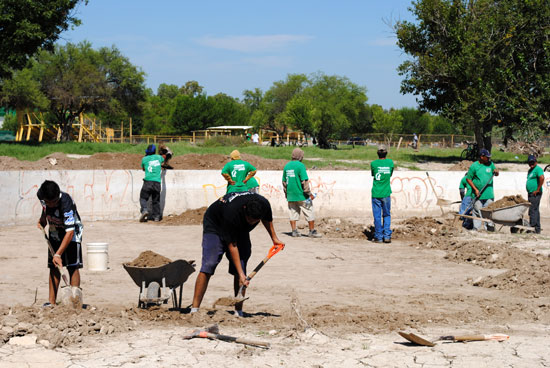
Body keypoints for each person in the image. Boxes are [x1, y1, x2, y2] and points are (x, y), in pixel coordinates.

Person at [191, 192, 284, 316]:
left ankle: (238, 311)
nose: (252, 223)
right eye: (250, 220)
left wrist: (274, 238)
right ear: (245, 210)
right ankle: (194, 310)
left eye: (255, 221)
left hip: (240, 229)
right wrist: (241, 274)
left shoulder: (264, 205)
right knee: (209, 264)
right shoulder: (232, 212)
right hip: (215, 225)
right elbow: (232, 246)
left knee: (242, 265)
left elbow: (267, 219)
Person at [36, 180, 83, 307]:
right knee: (54, 267)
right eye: (48, 202)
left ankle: (74, 302)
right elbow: (45, 208)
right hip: (55, 231)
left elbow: (70, 232)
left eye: (54, 202)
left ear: (58, 196)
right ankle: (51, 303)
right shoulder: (41, 195)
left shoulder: (66, 203)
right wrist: (43, 219)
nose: (51, 205)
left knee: (73, 266)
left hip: (72, 234)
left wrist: (58, 254)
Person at [282, 148, 321, 238]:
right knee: (309, 211)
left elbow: (284, 182)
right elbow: (304, 181)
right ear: (300, 157)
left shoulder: (287, 166)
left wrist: (286, 194)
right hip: (301, 195)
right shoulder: (300, 166)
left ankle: (294, 231)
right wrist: (309, 193)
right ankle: (311, 231)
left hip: (291, 195)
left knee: (293, 213)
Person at [466, 148, 499, 231]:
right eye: (487, 157)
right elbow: (468, 179)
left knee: (490, 211)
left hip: (488, 194)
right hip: (478, 194)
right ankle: (476, 228)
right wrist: (475, 189)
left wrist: (496, 171)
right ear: (481, 157)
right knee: (477, 211)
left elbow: (496, 173)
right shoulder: (474, 166)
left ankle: (490, 228)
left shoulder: (490, 164)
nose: (488, 159)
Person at [371, 145, 394, 243]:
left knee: (377, 216)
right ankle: (387, 236)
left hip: (376, 193)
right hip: (386, 193)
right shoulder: (390, 163)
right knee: (386, 214)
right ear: (386, 153)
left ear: (377, 153)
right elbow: (390, 173)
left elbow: (373, 174)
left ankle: (379, 237)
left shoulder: (373, 163)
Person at [139, 144, 165, 222]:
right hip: (157, 183)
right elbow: (163, 160)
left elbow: (143, 169)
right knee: (156, 200)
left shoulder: (144, 159)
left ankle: (144, 210)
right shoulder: (159, 157)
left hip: (148, 182)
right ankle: (156, 217)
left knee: (143, 198)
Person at [526, 154, 544, 233]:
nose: (531, 164)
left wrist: (538, 189)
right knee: (535, 210)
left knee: (533, 210)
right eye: (530, 163)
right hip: (531, 193)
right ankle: (537, 228)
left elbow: (542, 178)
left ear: (536, 162)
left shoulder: (538, 169)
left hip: (535, 193)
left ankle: (532, 228)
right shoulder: (530, 170)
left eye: (533, 162)